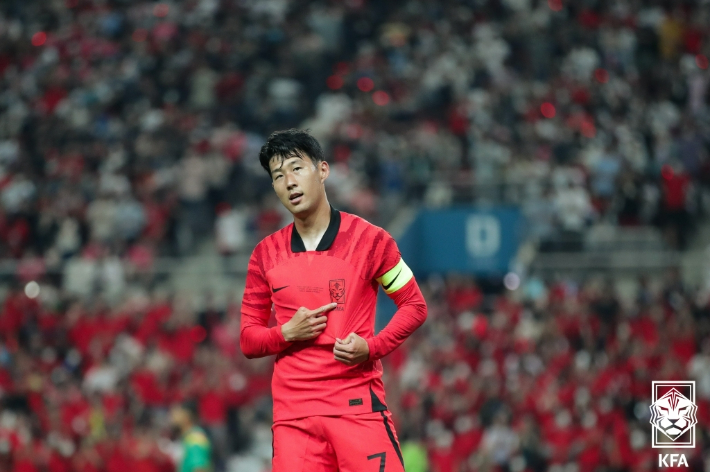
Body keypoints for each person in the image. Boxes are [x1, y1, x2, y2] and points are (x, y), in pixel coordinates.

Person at [240, 129, 428, 472]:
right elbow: (249, 339)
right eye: (278, 176)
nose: (289, 182)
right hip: (294, 417)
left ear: (323, 170)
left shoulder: (372, 241)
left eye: (297, 169)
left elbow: (414, 305)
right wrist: (286, 333)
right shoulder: (264, 254)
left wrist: (372, 347)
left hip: (356, 406)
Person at [170, 403, 213, 472]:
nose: (172, 417)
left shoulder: (195, 439)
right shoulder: (187, 437)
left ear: (186, 416)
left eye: (176, 413)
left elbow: (200, 468)